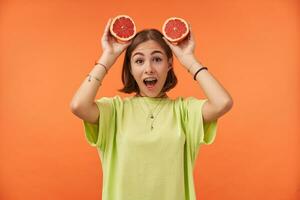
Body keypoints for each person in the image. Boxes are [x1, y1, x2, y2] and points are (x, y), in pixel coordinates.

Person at [70, 18, 233, 200]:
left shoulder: (184, 112)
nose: (149, 69)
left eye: (157, 59)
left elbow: (222, 102)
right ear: (130, 69)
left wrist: (189, 60)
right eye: (139, 61)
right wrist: (108, 57)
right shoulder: (115, 111)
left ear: (169, 64)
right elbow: (79, 105)